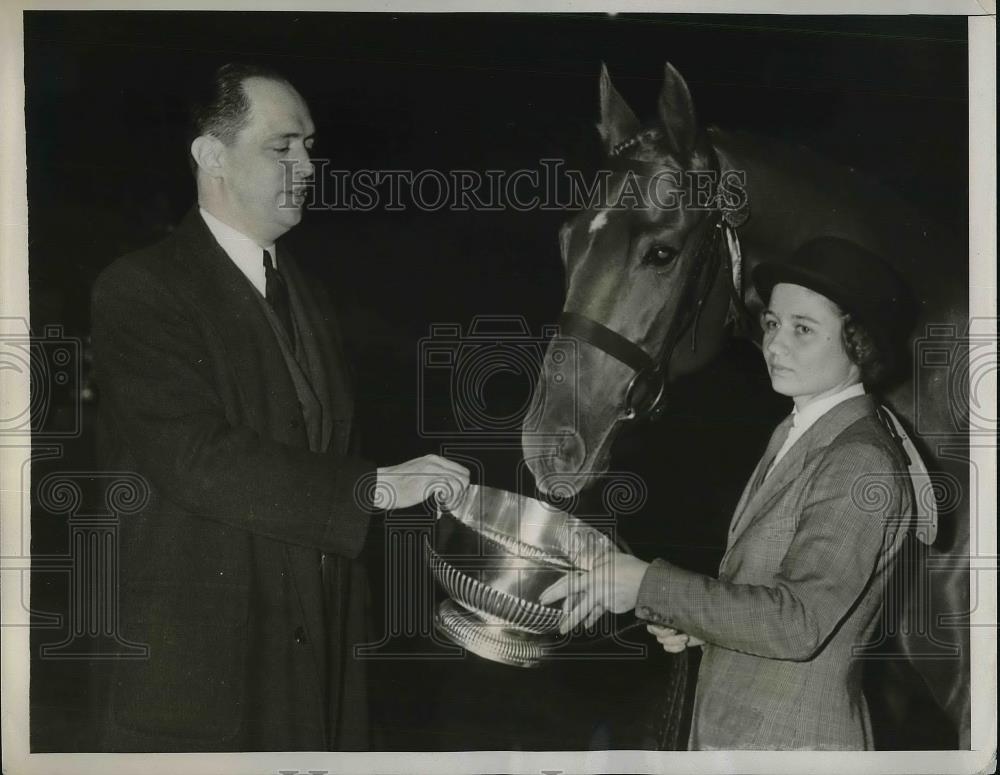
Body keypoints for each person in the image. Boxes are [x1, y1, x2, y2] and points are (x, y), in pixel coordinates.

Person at [90, 63, 469, 752]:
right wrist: (373, 485)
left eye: (310, 146)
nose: (308, 164)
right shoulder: (141, 289)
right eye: (282, 146)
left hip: (316, 661)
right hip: (207, 677)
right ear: (212, 156)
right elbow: (195, 459)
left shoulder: (310, 294)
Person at [541, 237, 916, 750]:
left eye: (803, 329)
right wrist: (699, 624)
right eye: (772, 324)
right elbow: (763, 594)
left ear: (860, 342)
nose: (777, 345)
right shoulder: (796, 433)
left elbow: (799, 622)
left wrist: (650, 585)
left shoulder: (858, 458)